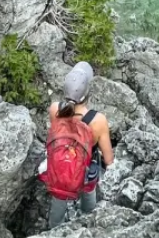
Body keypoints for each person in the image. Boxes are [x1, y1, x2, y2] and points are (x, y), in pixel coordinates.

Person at [41, 62, 114, 228]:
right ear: (88, 92)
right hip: (85, 173)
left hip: (60, 169)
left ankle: (54, 229)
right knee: (89, 193)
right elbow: (109, 159)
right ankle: (87, 220)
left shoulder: (54, 109)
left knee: (59, 198)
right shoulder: (98, 121)